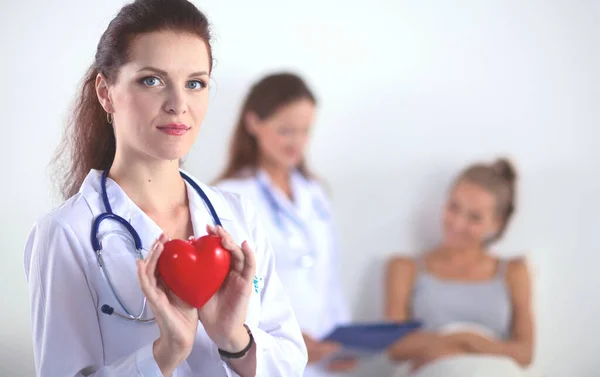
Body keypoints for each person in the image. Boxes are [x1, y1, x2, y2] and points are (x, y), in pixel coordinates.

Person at [23, 1, 307, 376]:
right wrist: (162, 356)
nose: (178, 104)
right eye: (152, 80)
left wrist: (234, 339)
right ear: (106, 92)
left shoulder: (238, 216)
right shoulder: (66, 233)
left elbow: (291, 360)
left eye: (195, 83)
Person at [214, 73, 356, 376]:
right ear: (253, 123)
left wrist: (345, 340)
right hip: (267, 353)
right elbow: (235, 288)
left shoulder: (314, 193)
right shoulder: (230, 197)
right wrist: (288, 337)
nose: (297, 143)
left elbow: (328, 277)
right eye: (285, 130)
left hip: (324, 356)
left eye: (305, 131)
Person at [385, 158, 535, 375]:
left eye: (474, 217)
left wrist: (463, 342)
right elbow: (396, 347)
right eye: (454, 207)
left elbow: (525, 354)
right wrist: (472, 343)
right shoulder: (405, 268)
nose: (457, 223)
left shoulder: (514, 272)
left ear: (496, 223)